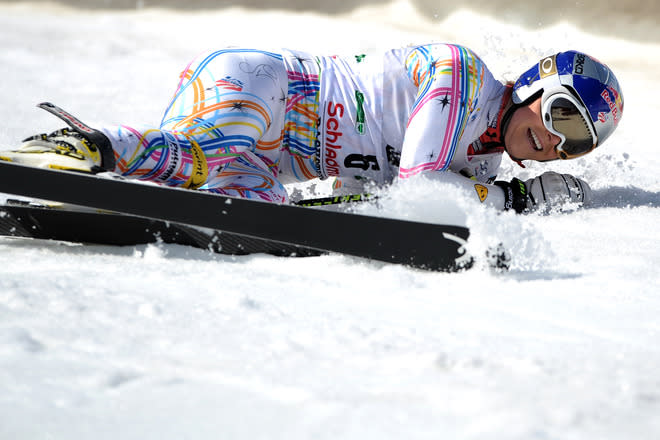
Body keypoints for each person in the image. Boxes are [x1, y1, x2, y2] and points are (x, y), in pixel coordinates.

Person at [0, 44, 624, 213]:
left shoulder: (481, 167)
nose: (555, 143)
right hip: (263, 88)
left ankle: (95, 193)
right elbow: (417, 181)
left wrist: (497, 195)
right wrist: (511, 202)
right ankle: (86, 147)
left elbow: (380, 203)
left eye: (577, 143)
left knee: (245, 207)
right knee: (201, 154)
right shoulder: (462, 77)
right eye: (561, 116)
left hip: (274, 164)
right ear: (536, 89)